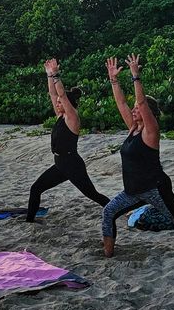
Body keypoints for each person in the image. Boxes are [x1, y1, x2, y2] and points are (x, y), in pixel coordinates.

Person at [100, 54, 174, 257]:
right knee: (108, 212)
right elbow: (121, 103)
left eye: (137, 109)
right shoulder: (132, 128)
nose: (133, 110)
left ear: (147, 112)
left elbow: (140, 101)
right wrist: (113, 79)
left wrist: (135, 76)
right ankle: (107, 256)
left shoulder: (151, 132)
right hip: (132, 191)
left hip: (155, 188)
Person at [25, 58, 110, 223]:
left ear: (69, 104)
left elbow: (61, 94)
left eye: (60, 103)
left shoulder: (72, 118)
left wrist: (56, 75)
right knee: (35, 188)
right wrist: (49, 75)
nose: (57, 103)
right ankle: (29, 221)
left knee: (92, 194)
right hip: (60, 164)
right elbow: (53, 93)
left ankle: (115, 208)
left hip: (72, 164)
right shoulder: (60, 116)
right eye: (57, 103)